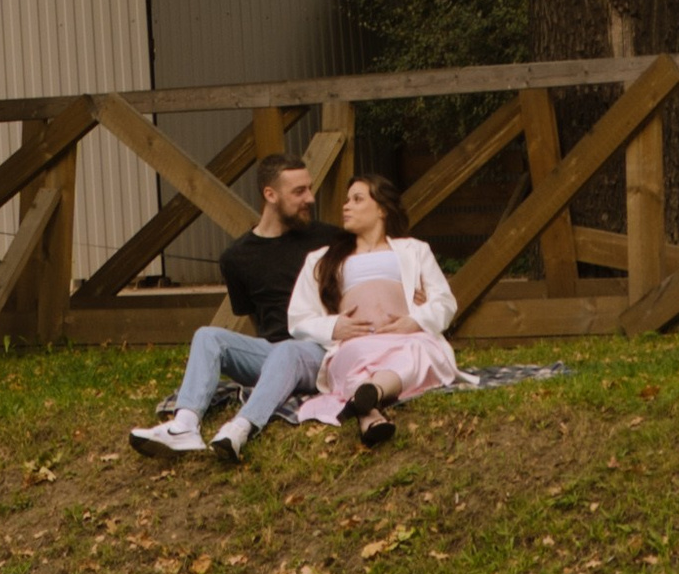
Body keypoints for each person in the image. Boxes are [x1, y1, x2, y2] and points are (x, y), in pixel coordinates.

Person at [131, 150, 328, 465]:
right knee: (209, 336)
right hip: (272, 351)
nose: (310, 198)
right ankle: (185, 425)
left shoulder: (327, 239)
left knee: (289, 351)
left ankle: (241, 427)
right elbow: (254, 317)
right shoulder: (236, 257)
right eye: (299, 191)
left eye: (309, 188)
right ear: (270, 194)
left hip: (319, 351)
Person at [288, 173, 457, 445]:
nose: (346, 206)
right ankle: (370, 403)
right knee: (355, 361)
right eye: (346, 200)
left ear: (381, 209)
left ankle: (370, 403)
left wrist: (415, 321)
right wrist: (334, 327)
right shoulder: (321, 259)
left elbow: (445, 302)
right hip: (355, 343)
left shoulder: (414, 250)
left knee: (419, 350)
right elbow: (298, 318)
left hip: (405, 338)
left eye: (357, 199)